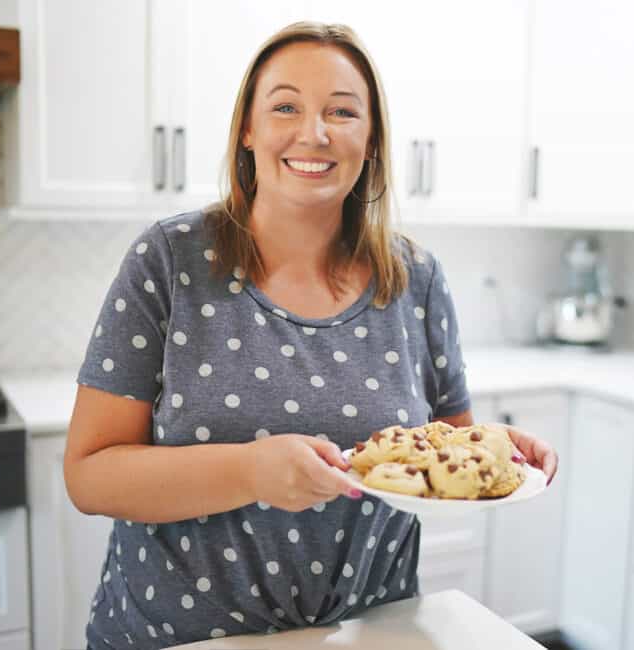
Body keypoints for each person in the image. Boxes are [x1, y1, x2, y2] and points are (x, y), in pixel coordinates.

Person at [64, 21, 558, 650]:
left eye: (343, 111)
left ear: (372, 137)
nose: (314, 133)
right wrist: (248, 471)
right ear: (248, 128)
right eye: (286, 106)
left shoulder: (416, 278)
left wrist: (494, 450)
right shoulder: (170, 261)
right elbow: (89, 475)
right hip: (180, 637)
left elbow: (443, 450)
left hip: (371, 632)